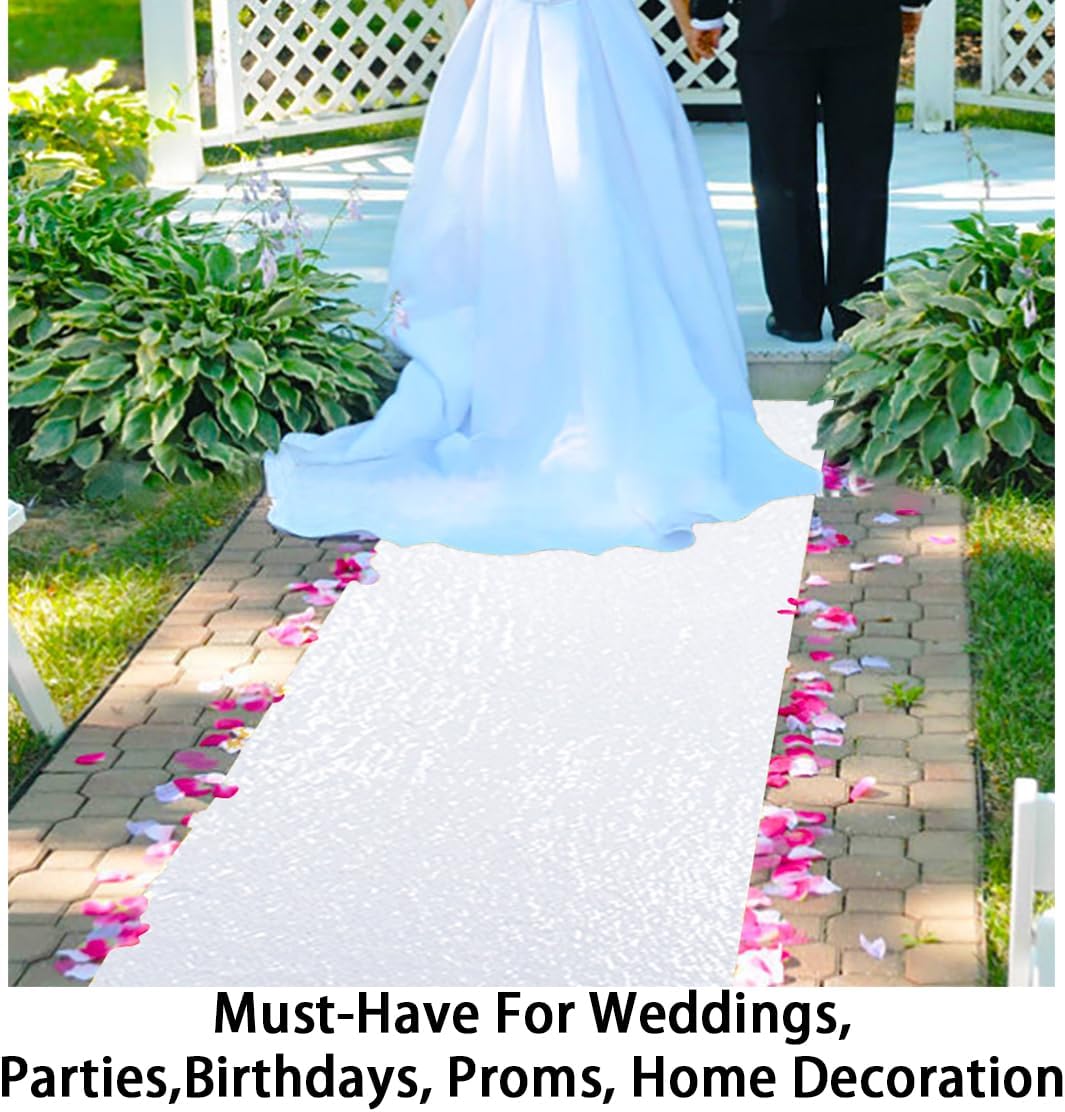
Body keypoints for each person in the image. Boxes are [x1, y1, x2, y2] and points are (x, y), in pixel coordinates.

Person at [263, 0, 822, 556]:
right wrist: (685, 17)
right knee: (619, 194)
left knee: (516, 185)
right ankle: (612, 360)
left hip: (512, 30)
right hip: (599, 35)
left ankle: (533, 360)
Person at [687, 0, 931, 342]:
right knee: (862, 170)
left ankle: (795, 312)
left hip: (773, 21)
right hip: (867, 20)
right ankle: (857, 311)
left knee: (779, 173)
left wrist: (707, 14)